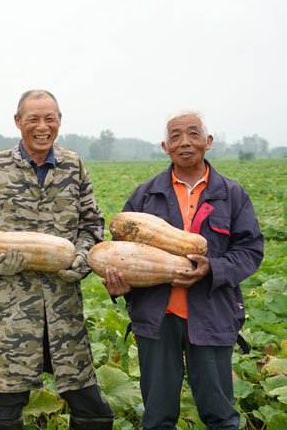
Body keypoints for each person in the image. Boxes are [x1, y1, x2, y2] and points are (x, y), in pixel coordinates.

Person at [102, 109, 264, 430]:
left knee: (220, 415)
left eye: (193, 134)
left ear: (208, 142)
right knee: (158, 417)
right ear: (165, 147)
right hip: (156, 317)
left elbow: (250, 250)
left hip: (212, 314)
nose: (184, 142)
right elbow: (121, 253)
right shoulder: (145, 195)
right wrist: (119, 284)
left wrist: (212, 268)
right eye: (175, 136)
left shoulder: (232, 195)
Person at [0, 90, 114, 430]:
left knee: (89, 403)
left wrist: (82, 259)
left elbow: (92, 226)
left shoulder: (73, 166)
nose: (42, 126)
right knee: (8, 405)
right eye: (33, 119)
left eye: (50, 118)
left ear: (59, 121)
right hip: (7, 310)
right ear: (18, 122)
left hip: (61, 306)